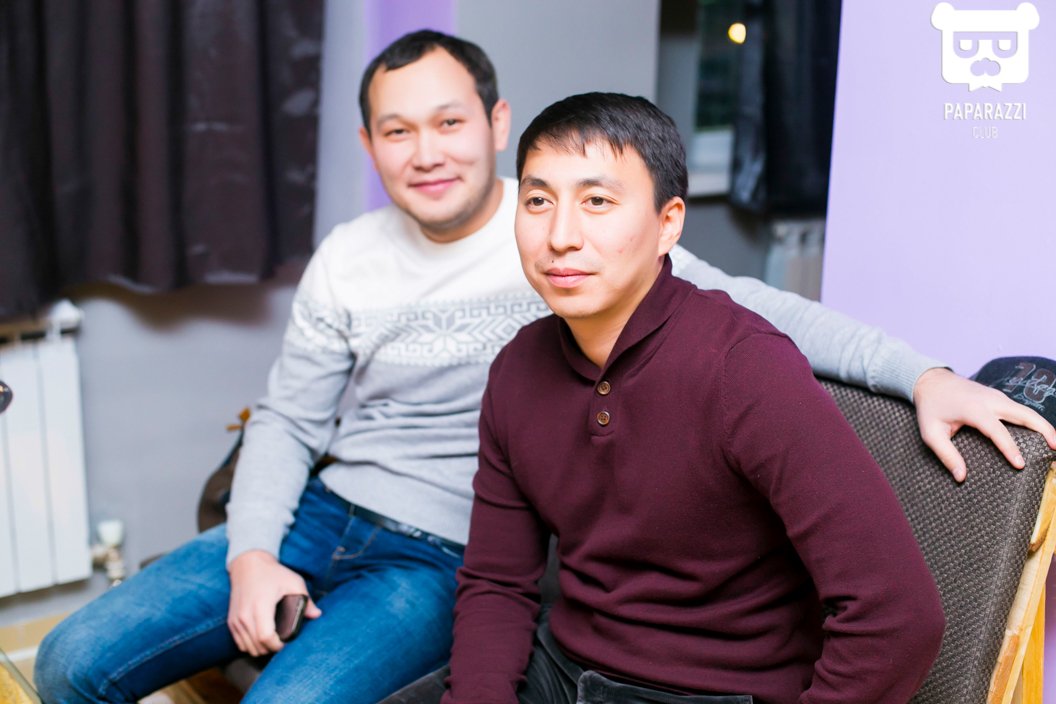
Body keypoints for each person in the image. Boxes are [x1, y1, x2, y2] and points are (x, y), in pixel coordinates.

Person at [34, 29, 1052, 704]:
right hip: (337, 514)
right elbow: (293, 423)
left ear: (493, 125)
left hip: (436, 554)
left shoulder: (617, 269)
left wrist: (924, 373)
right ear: (369, 146)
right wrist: (254, 550)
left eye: (448, 122)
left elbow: (773, 318)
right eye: (397, 131)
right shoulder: (381, 273)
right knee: (68, 661)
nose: (426, 152)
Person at [443, 91, 944, 704]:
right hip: (563, 668)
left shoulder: (745, 367)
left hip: (710, 691)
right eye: (538, 201)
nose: (560, 236)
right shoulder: (518, 368)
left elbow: (898, 617)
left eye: (597, 201)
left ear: (668, 224)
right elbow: (496, 583)